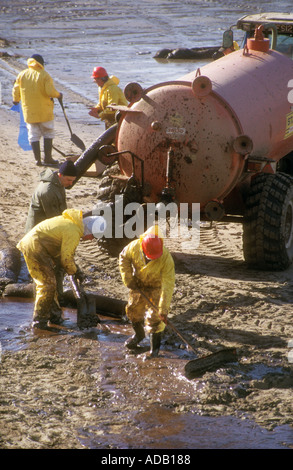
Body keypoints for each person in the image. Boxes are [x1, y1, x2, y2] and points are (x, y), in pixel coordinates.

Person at [16, 209, 106, 329]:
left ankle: (54, 316)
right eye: (93, 236)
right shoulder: (73, 231)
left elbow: (64, 256)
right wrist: (74, 271)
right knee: (47, 284)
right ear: (89, 230)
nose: (91, 239)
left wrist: (76, 270)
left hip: (37, 245)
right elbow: (66, 260)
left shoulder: (72, 224)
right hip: (35, 246)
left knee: (50, 283)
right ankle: (39, 320)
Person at [119, 225, 175, 358]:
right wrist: (128, 279)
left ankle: (154, 350)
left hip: (156, 288)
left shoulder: (166, 258)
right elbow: (123, 258)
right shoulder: (133, 247)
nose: (151, 259)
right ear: (143, 249)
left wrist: (163, 309)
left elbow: (168, 284)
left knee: (155, 318)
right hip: (138, 285)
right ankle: (139, 335)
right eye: (149, 257)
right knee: (133, 311)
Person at [12, 53, 62, 166]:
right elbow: (50, 92)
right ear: (41, 63)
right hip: (44, 110)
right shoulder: (44, 75)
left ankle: (37, 160)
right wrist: (59, 95)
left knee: (33, 134)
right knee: (48, 132)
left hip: (29, 111)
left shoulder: (22, 74)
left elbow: (16, 89)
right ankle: (48, 158)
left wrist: (15, 99)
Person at [25, 160, 78, 233]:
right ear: (60, 175)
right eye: (69, 180)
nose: (71, 183)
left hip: (45, 227)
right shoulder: (48, 191)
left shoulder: (59, 183)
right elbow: (53, 218)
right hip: (37, 233)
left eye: (73, 181)